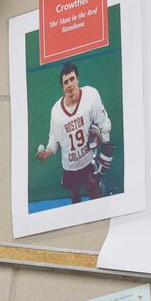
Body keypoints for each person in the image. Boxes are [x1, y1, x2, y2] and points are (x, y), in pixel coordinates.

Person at [31, 62, 114, 203]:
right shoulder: (56, 111)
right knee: (75, 196)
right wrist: (48, 152)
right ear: (62, 87)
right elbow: (54, 140)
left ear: (77, 79)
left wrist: (105, 144)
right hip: (69, 166)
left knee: (94, 193)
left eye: (71, 79)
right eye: (65, 82)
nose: (69, 84)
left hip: (88, 161)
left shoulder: (91, 96)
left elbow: (104, 124)